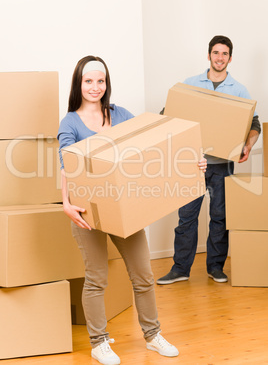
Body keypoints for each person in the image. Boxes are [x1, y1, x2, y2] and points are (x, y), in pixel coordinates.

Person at [58, 55, 195, 365]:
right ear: (79, 84)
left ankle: (152, 335)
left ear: (107, 84)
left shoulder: (120, 115)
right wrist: (66, 203)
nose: (95, 86)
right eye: (89, 80)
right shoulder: (70, 122)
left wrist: (189, 162)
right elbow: (67, 165)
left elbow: (153, 144)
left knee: (144, 275)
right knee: (97, 279)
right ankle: (99, 343)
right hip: (87, 212)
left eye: (100, 81)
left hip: (123, 209)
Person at [157, 35, 261, 286]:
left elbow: (254, 123)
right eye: (216, 53)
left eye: (224, 54)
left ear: (230, 58)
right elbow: (167, 113)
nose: (219, 58)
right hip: (192, 163)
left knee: (220, 217)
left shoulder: (238, 90)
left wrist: (247, 145)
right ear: (209, 55)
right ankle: (180, 268)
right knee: (187, 218)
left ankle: (215, 267)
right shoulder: (191, 84)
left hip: (222, 164)